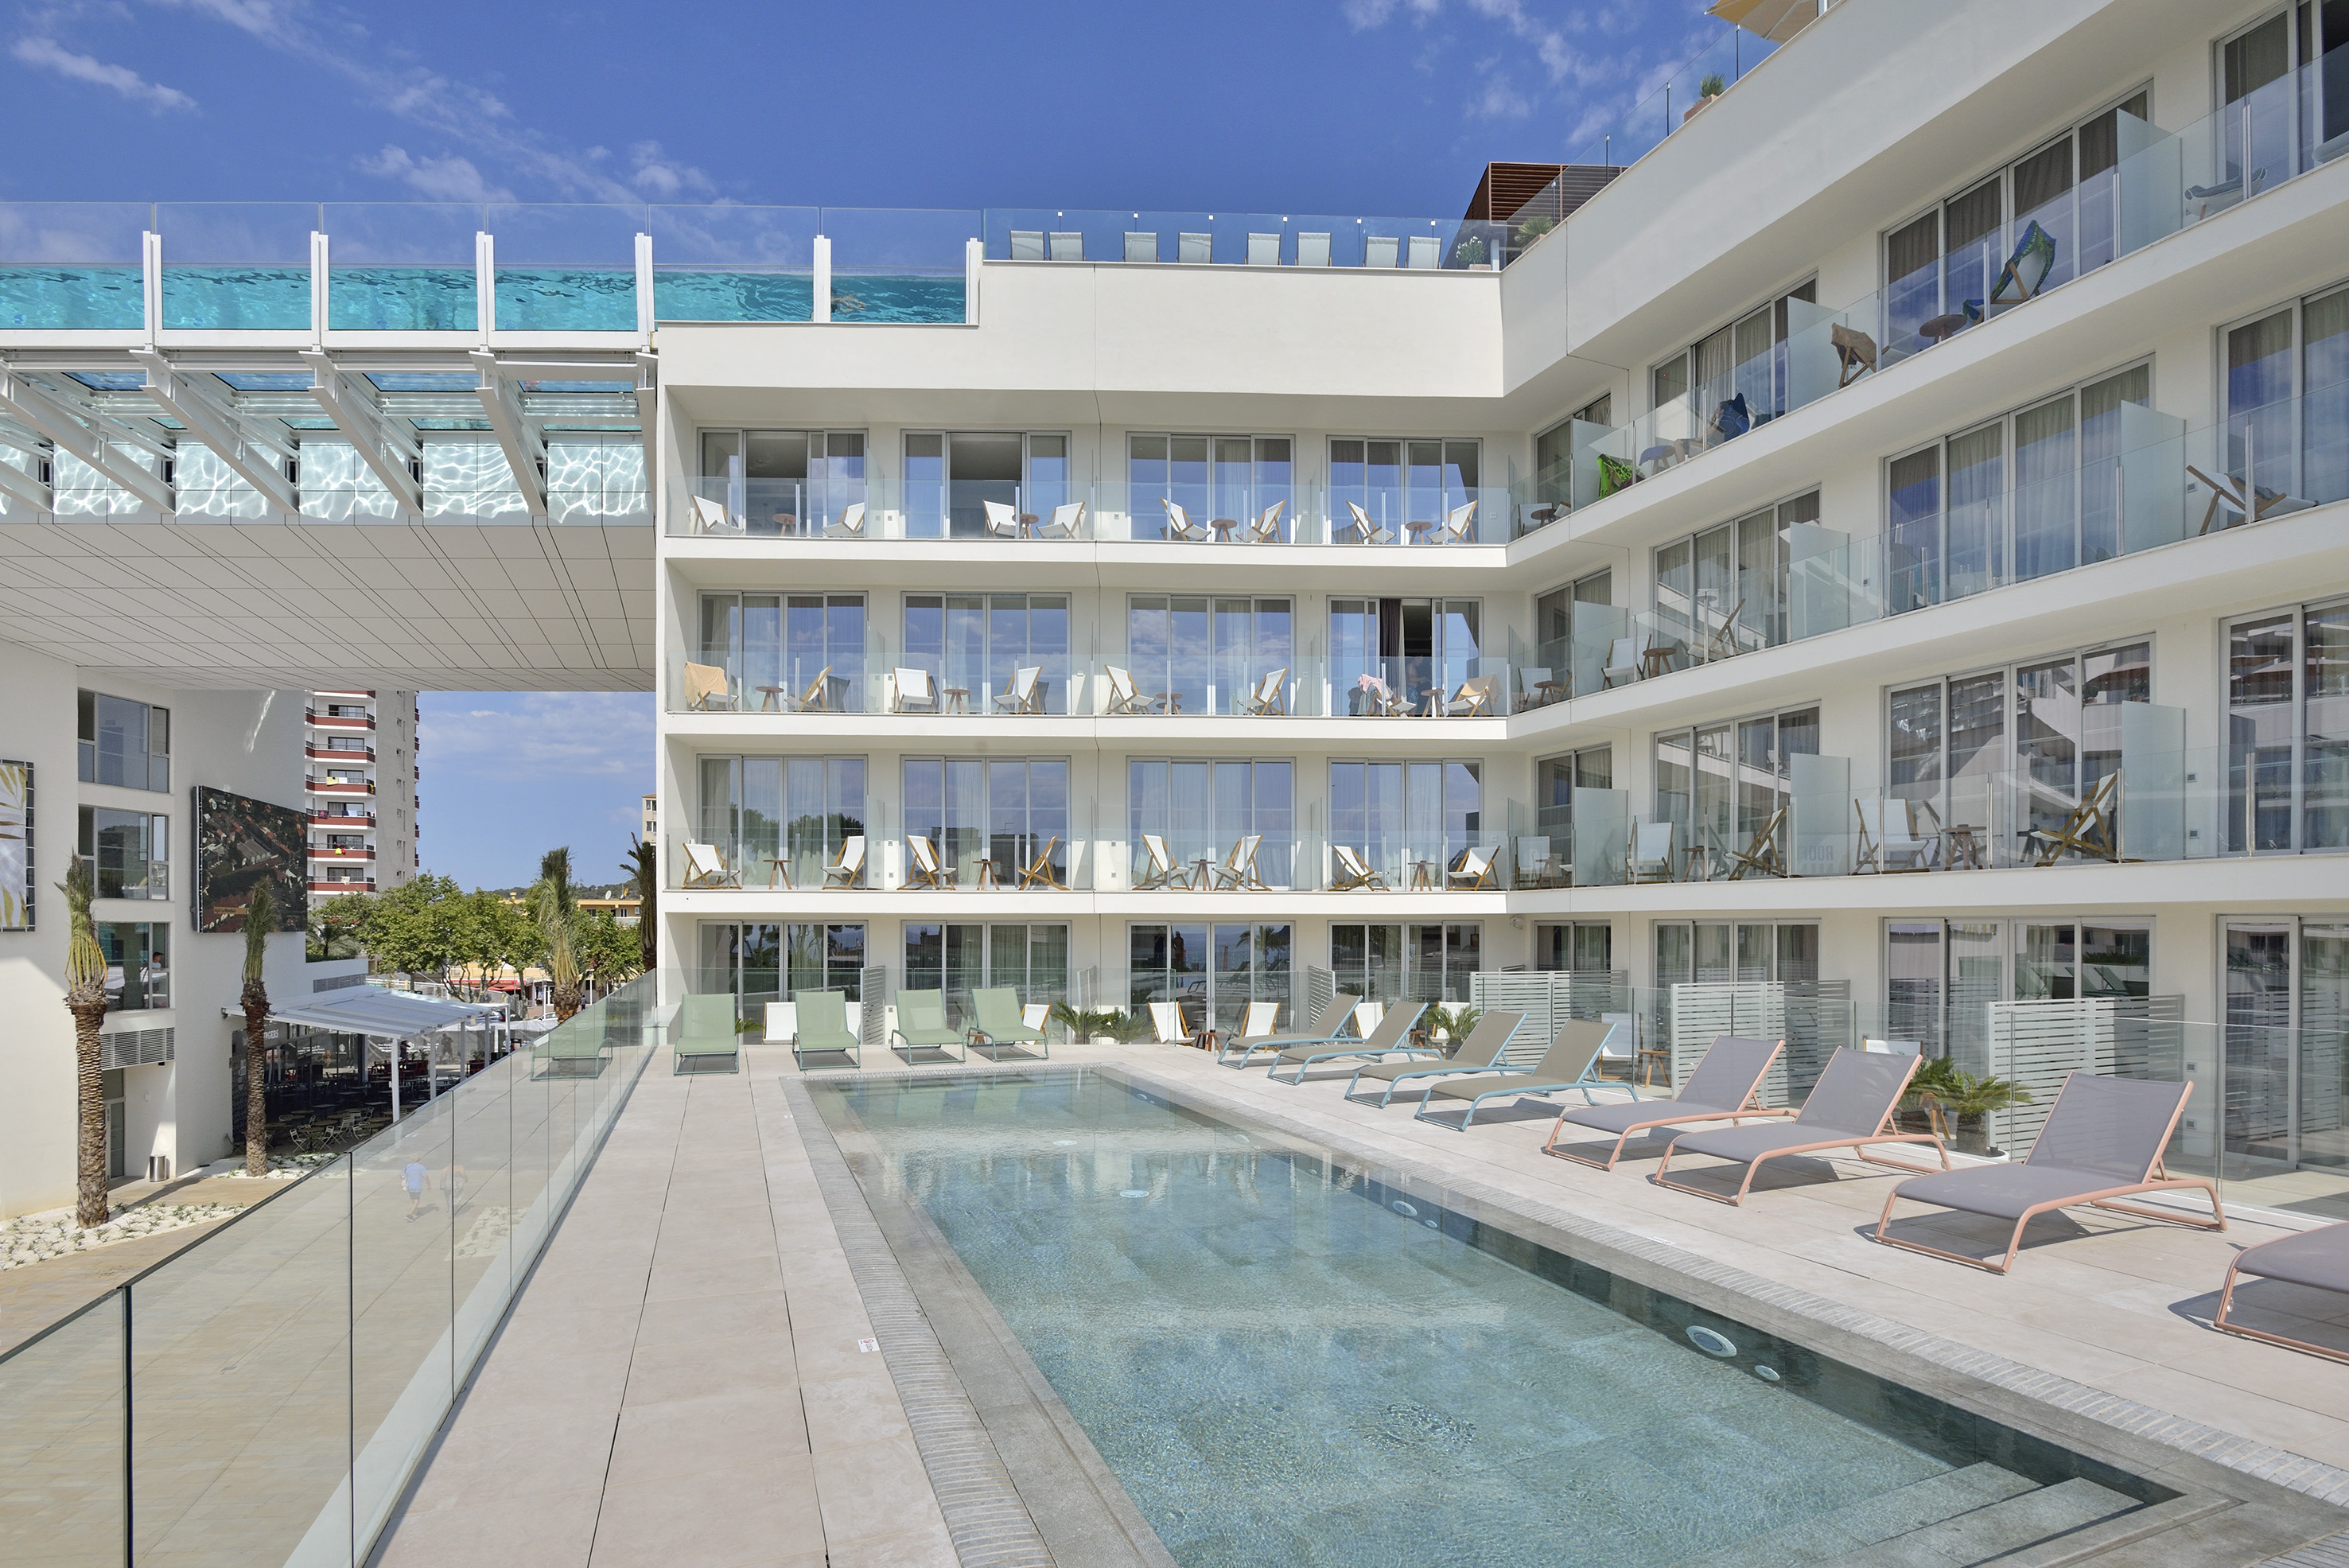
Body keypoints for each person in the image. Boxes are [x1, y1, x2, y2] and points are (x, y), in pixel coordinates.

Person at [403, 1155, 428, 1220]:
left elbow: (401, 1176)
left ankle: (417, 1211)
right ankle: (409, 1215)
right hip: (417, 1186)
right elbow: (425, 1176)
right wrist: (429, 1184)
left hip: (410, 1186)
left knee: (414, 1200)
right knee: (416, 1201)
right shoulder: (421, 1167)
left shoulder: (408, 1166)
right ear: (418, 1159)